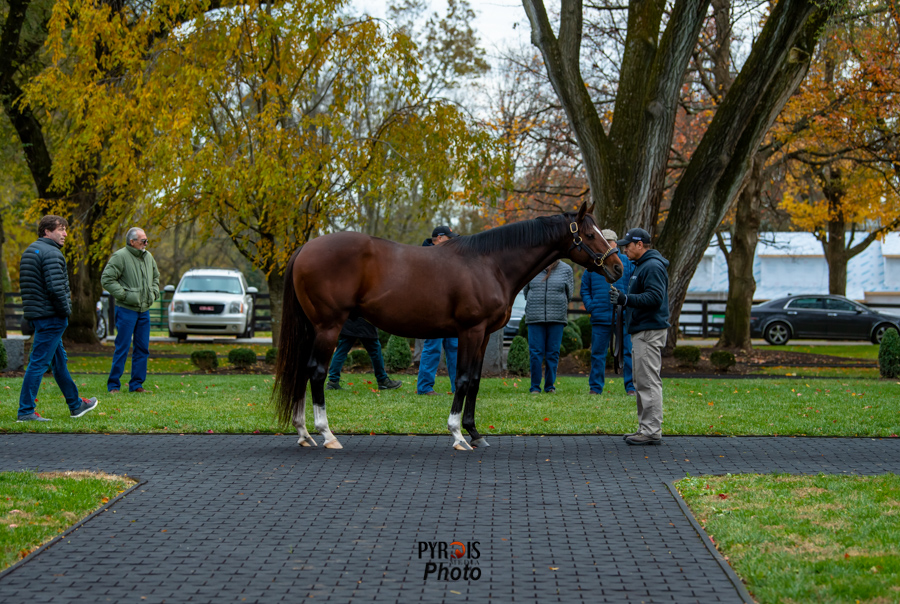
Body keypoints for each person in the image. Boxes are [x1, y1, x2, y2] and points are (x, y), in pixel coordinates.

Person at [16, 215, 98, 422]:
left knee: (59, 363)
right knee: (38, 363)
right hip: (51, 317)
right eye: (61, 229)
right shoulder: (52, 253)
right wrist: (65, 311)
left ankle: (76, 405)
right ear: (47, 231)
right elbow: (56, 288)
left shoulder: (30, 251)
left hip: (38, 315)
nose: (65, 234)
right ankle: (26, 411)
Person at [609, 227, 670, 445]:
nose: (624, 249)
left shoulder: (652, 266)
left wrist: (626, 299)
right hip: (643, 329)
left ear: (640, 245)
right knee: (641, 380)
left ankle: (652, 430)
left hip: (649, 330)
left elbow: (654, 297)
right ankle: (646, 427)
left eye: (628, 245)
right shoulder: (643, 266)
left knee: (648, 381)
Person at [101, 227, 160, 393]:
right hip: (126, 310)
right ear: (132, 241)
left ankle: (136, 385)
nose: (146, 244)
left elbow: (156, 277)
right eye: (143, 241)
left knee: (142, 348)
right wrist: (124, 295)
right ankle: (113, 385)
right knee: (123, 347)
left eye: (147, 240)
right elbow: (106, 279)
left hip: (144, 310)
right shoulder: (120, 257)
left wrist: (153, 292)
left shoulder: (148, 257)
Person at [581, 229, 635, 396]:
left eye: (610, 241)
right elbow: (584, 290)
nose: (608, 244)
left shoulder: (627, 263)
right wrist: (592, 307)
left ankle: (631, 387)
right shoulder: (593, 266)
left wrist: (628, 305)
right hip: (600, 317)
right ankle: (595, 387)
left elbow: (634, 287)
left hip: (623, 317)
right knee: (598, 353)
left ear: (615, 243)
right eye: (605, 241)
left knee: (627, 353)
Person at [417, 225, 459, 395]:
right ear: (440, 238)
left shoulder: (450, 256)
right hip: (433, 310)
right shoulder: (423, 256)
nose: (453, 241)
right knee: (433, 346)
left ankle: (458, 386)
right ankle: (425, 387)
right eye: (450, 238)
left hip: (451, 310)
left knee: (455, 347)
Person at [523, 260, 574, 393]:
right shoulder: (532, 266)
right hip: (535, 317)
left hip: (557, 318)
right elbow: (526, 291)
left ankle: (550, 386)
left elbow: (569, 294)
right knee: (535, 353)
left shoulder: (566, 269)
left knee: (553, 353)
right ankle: (535, 386)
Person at [326, 317, 402, 391]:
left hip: (349, 323)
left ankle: (333, 381)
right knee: (375, 351)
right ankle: (382, 380)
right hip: (366, 324)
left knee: (341, 351)